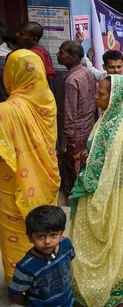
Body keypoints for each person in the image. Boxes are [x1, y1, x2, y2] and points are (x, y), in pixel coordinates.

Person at [70, 75, 123, 307]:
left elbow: (103, 170)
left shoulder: (116, 130)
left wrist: (85, 180)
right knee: (122, 238)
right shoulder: (113, 119)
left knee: (107, 239)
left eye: (101, 93)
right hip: (118, 193)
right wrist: (87, 155)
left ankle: (116, 290)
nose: (96, 96)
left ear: (116, 98)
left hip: (106, 195)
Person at [0, 50, 60, 284]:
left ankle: (19, 283)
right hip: (44, 179)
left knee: (17, 231)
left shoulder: (5, 111)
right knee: (46, 229)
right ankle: (48, 276)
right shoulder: (47, 102)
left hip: (12, 185)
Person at [8, 206, 74, 307]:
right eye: (41, 236)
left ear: (61, 234)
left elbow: (71, 259)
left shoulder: (66, 245)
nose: (47, 242)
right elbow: (15, 292)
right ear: (30, 238)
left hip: (67, 302)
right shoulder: (26, 267)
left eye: (53, 235)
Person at [55, 41, 97, 197]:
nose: (58, 54)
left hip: (75, 137)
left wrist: (63, 144)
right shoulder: (86, 72)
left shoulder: (71, 80)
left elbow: (69, 116)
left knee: (74, 177)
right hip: (88, 131)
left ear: (72, 57)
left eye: (61, 52)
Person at [16, 22, 56, 91]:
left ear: (34, 39)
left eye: (22, 34)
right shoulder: (43, 52)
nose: (17, 35)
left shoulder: (33, 55)